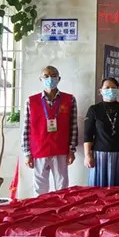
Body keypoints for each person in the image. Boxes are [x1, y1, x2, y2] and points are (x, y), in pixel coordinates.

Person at [23, 65, 78, 195]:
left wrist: (71, 150)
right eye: (46, 76)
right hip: (39, 149)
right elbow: (26, 128)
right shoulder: (31, 101)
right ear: (40, 79)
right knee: (40, 188)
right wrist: (27, 153)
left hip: (61, 149)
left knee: (62, 187)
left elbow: (73, 126)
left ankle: (62, 207)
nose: (50, 79)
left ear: (59, 78)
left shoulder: (69, 99)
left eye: (53, 76)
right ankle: (40, 207)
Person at [84, 78, 119, 187]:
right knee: (100, 187)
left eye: (113, 87)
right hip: (100, 154)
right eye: (107, 87)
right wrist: (88, 155)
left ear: (118, 90)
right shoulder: (94, 109)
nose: (110, 90)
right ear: (101, 91)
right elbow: (88, 135)